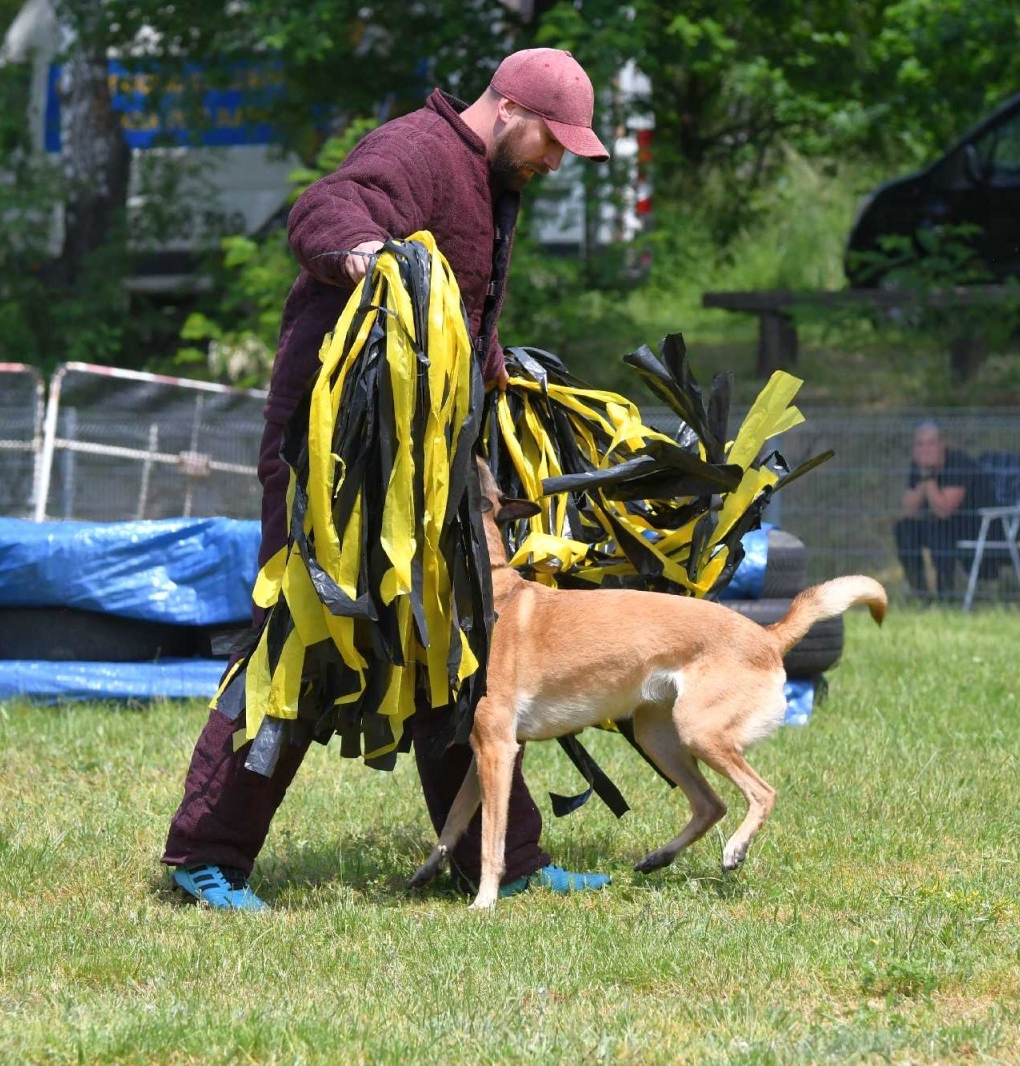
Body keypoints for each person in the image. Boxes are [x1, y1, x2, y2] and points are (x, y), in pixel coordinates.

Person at [161, 49, 615, 911]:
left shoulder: (493, 184)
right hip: (332, 464)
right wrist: (365, 255)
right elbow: (324, 208)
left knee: (451, 646)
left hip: (428, 465)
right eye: (553, 141)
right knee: (297, 639)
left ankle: (502, 862)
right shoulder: (416, 151)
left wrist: (494, 378)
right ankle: (205, 857)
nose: (556, 160)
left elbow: (458, 307)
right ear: (510, 105)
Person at [893, 420, 982, 601]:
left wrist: (927, 478)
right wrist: (924, 477)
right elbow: (909, 510)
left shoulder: (958, 463)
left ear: (942, 444)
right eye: (919, 444)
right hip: (937, 524)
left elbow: (943, 509)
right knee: (904, 528)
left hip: (973, 524)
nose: (925, 449)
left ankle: (946, 597)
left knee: (937, 529)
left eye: (930, 443)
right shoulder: (918, 466)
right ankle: (922, 596)